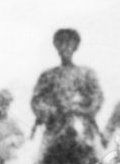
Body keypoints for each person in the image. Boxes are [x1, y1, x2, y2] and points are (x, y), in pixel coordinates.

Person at [30, 28, 103, 156]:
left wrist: (82, 109)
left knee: (97, 161)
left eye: (69, 44)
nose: (65, 48)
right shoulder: (48, 75)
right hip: (55, 125)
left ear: (75, 47)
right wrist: (50, 110)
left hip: (82, 124)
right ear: (56, 48)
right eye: (61, 44)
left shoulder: (86, 73)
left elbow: (97, 97)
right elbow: (36, 100)